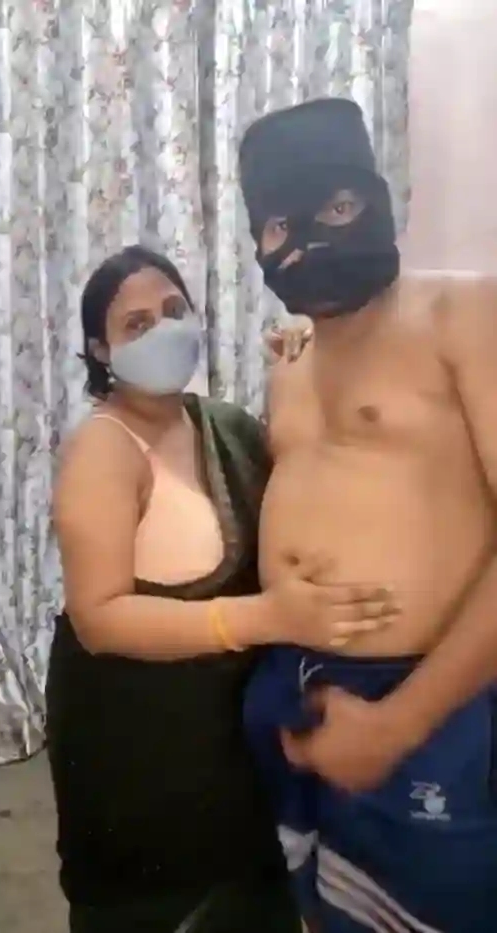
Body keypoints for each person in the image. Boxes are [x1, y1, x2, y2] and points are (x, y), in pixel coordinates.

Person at [46, 244, 398, 933]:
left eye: (174, 309)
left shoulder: (223, 423)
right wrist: (268, 616)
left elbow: (300, 487)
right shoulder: (103, 451)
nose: (164, 329)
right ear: (101, 350)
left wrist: (303, 376)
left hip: (231, 736)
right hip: (138, 745)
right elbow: (98, 617)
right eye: (137, 324)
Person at [239, 97, 497, 933]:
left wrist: (401, 722)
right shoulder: (292, 360)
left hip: (429, 698)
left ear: (373, 198)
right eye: (279, 227)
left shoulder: (463, 314)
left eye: (338, 207)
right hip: (296, 685)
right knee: (320, 908)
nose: (308, 240)